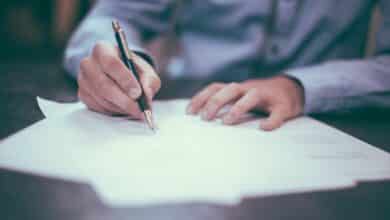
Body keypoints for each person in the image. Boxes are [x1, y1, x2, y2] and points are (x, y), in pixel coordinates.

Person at [64, 0, 390, 131]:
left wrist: (300, 87)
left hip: (329, 119)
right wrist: (120, 62)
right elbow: (111, 17)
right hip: (190, 109)